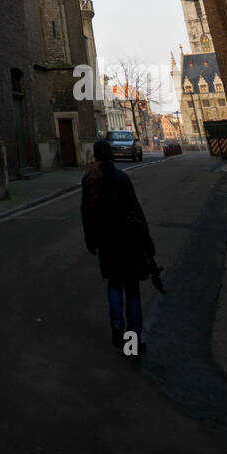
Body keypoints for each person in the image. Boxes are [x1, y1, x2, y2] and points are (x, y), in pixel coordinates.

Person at [81, 138, 158, 354]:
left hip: (107, 244)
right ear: (111, 155)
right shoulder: (122, 178)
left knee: (114, 285)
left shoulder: (89, 180)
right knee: (132, 291)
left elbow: (86, 214)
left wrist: (91, 241)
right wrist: (147, 243)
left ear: (95, 156)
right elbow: (137, 213)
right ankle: (133, 341)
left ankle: (117, 325)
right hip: (129, 242)